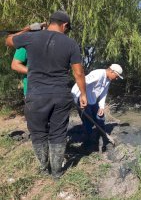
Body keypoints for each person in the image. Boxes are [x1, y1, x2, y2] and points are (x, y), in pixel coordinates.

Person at [5, 10, 87, 179]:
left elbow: (8, 40)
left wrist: (28, 28)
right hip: (60, 94)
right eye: (67, 28)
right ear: (64, 25)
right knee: (58, 133)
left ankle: (44, 168)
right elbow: (78, 73)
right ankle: (56, 174)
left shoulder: (31, 37)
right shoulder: (71, 43)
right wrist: (83, 94)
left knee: (38, 133)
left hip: (36, 95)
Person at [71, 64, 123, 152]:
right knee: (88, 122)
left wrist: (102, 107)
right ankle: (88, 143)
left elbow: (103, 94)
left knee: (100, 117)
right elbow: (82, 81)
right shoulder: (98, 74)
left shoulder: (108, 80)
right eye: (116, 76)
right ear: (111, 71)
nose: (116, 78)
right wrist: (78, 97)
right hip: (82, 99)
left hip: (92, 101)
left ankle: (102, 138)